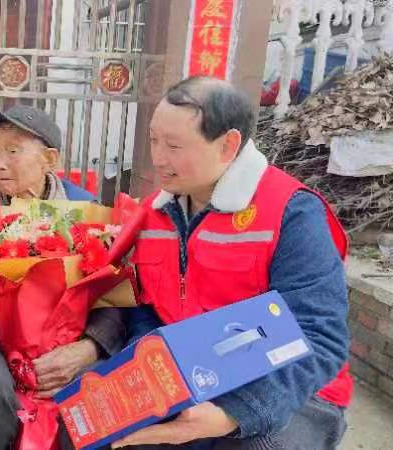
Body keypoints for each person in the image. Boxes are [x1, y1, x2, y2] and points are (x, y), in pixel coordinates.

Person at [114, 76, 352, 449]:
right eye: (154, 140)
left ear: (228, 145)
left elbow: (319, 336)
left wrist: (236, 413)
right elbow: (146, 306)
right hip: (190, 378)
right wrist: (147, 369)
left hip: (290, 390)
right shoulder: (155, 213)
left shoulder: (290, 212)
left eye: (174, 146)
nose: (158, 158)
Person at [0, 105, 133, 450]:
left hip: (72, 347)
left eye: (13, 151)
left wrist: (89, 347)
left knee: (101, 392)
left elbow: (117, 295)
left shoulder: (90, 214)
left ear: (49, 160)